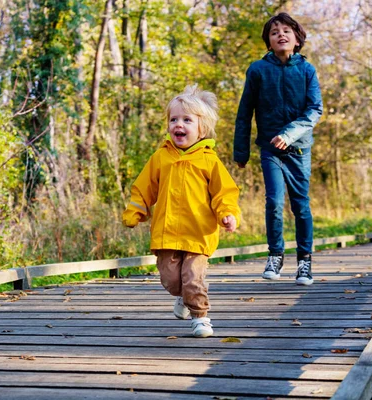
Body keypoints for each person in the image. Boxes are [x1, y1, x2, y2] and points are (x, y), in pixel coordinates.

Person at [123, 85, 241, 338]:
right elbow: (145, 188)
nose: (179, 124)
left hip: (198, 233)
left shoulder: (209, 160)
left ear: (202, 128)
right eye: (174, 119)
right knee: (171, 280)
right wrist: (136, 211)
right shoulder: (160, 158)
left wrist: (227, 214)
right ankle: (185, 297)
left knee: (192, 277)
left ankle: (201, 317)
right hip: (166, 232)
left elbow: (224, 193)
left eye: (187, 120)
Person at [233, 12, 323, 286]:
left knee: (301, 206)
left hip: (299, 150)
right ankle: (275, 254)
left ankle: (305, 261)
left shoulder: (307, 70)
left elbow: (314, 110)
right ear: (268, 42)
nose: (281, 35)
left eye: (286, 31)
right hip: (270, 149)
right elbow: (244, 111)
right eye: (274, 32)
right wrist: (241, 151)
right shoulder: (258, 70)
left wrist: (290, 134)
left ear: (297, 39)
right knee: (273, 201)